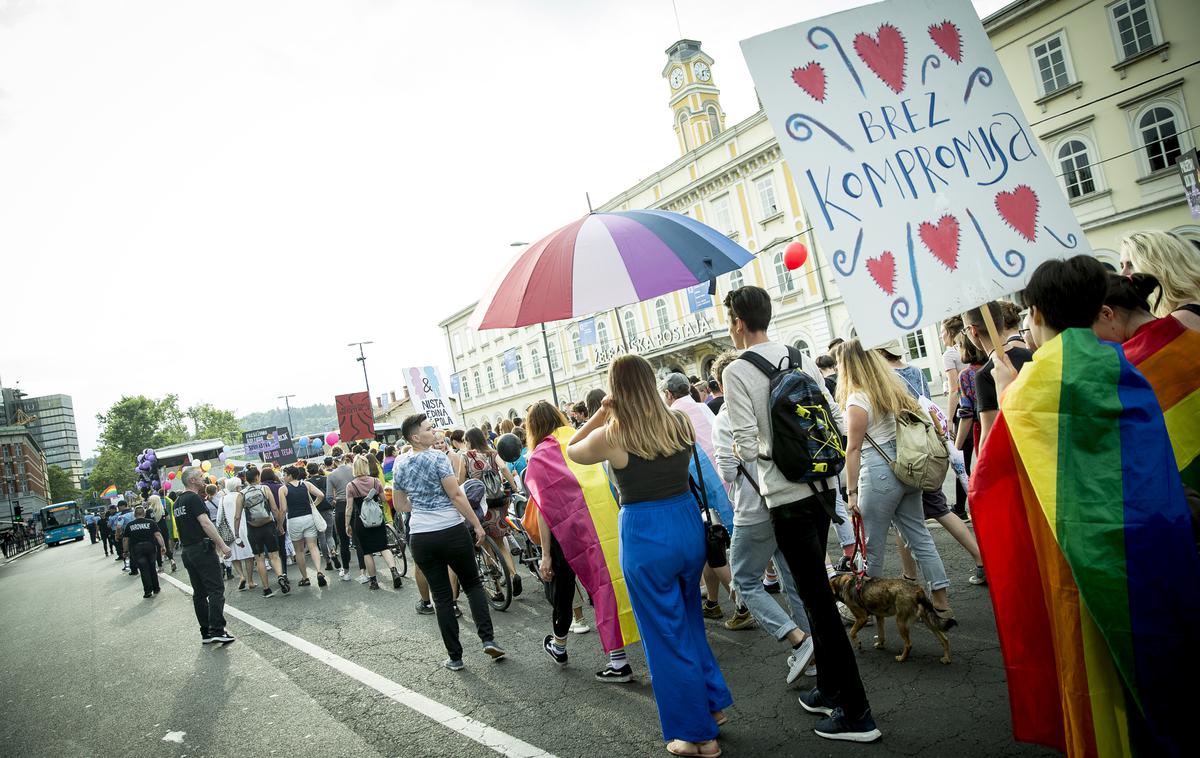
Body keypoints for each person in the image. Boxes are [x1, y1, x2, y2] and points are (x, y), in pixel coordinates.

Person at [972, 255, 1199, 756]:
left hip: (1076, 564)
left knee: (1097, 673)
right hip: (1148, 549)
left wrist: (1009, 398)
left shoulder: (1030, 388)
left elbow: (989, 487)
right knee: (1154, 664)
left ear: (1033, 313)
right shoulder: (1121, 364)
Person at [721, 285, 878, 743]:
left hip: (785, 497)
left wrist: (754, 448)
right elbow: (829, 413)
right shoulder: (798, 355)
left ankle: (857, 712)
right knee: (813, 592)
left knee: (818, 602)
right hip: (823, 486)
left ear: (737, 322)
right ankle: (829, 689)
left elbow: (747, 446)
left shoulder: (736, 371)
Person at [568, 354, 732, 758]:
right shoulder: (677, 421)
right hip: (686, 524)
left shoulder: (614, 433)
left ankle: (698, 736)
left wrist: (601, 411)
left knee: (664, 635)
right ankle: (712, 704)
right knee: (689, 619)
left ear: (616, 389)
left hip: (645, 532)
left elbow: (573, 450)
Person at [710, 351, 816, 683]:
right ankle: (816, 651)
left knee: (744, 579)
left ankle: (796, 639)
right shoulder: (768, 398)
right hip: (787, 498)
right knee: (792, 577)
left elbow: (728, 470)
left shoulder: (726, 417)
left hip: (753, 508)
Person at [523, 400, 636, 682]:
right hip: (605, 522)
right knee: (608, 585)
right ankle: (618, 659)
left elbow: (544, 511)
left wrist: (545, 554)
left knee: (564, 590)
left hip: (567, 533)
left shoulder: (538, 458)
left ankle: (562, 646)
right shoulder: (579, 436)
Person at [393, 414, 505, 670]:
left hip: (420, 534)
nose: (434, 432)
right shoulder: (437, 458)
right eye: (428, 429)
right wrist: (477, 525)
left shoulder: (399, 464)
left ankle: (455, 657)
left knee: (442, 596)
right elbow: (455, 494)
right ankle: (487, 638)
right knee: (473, 584)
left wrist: (422, 506)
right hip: (451, 529)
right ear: (415, 437)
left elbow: (400, 505)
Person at [174, 467, 234, 644]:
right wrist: (222, 545)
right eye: (200, 477)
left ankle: (206, 631)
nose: (203, 479)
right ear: (192, 480)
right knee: (216, 589)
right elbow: (206, 523)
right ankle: (217, 629)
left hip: (188, 550)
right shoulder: (193, 498)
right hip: (201, 548)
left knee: (199, 593)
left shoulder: (178, 502)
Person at [962, 300, 1034, 445]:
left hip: (1016, 450)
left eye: (965, 330)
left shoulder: (986, 374)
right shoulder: (1031, 355)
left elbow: (989, 435)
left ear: (973, 330)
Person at [463, 427, 522, 597]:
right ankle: (513, 574)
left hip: (481, 505)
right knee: (501, 543)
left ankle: (497, 589)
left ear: (469, 441)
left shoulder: (466, 456)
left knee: (487, 546)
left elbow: (460, 481)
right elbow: (504, 468)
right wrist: (513, 486)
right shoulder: (492, 452)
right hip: (498, 501)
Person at [1120, 230, 1200, 330]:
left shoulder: (1182, 318)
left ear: (1158, 264)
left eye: (1131, 264)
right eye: (1122, 266)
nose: (1123, 274)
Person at [346, 455, 403, 590]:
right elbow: (383, 499)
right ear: (366, 466)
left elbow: (349, 508)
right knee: (384, 547)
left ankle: (373, 581)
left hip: (362, 521)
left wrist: (346, 524)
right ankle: (394, 571)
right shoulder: (375, 481)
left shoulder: (351, 486)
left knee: (367, 552)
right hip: (377, 519)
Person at [235, 466, 286, 598]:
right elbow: (274, 509)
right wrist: (279, 525)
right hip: (268, 525)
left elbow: (237, 516)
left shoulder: (241, 494)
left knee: (260, 558)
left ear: (246, 479)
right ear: (257, 477)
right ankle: (280, 576)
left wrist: (236, 534)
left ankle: (266, 588)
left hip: (253, 529)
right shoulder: (265, 489)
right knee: (274, 555)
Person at [280, 465, 328, 588]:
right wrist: (313, 505)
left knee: (299, 550)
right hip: (308, 518)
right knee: (313, 546)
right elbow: (321, 495)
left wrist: (280, 524)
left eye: (284, 475)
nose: (283, 477)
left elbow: (284, 509)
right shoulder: (305, 484)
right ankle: (319, 571)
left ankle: (305, 578)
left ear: (290, 476)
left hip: (294, 520)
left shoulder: (284, 489)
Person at [325, 451, 358, 582]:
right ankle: (365, 570)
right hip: (356, 504)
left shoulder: (331, 475)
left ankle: (346, 571)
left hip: (341, 506)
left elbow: (328, 497)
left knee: (343, 541)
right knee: (358, 538)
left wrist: (335, 503)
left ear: (334, 461)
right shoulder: (353, 470)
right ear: (344, 458)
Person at [220, 478, 256, 591]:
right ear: (237, 487)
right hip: (245, 528)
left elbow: (219, 518)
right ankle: (250, 581)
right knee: (249, 555)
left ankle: (241, 576)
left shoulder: (223, 499)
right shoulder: (242, 495)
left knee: (234, 556)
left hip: (230, 531)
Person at [123, 505, 167, 598]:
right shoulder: (151, 522)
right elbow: (158, 535)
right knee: (152, 567)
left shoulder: (130, 525)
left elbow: (125, 540)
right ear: (144, 513)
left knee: (143, 570)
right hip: (150, 547)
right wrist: (163, 546)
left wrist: (125, 551)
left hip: (137, 549)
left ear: (135, 514)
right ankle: (156, 588)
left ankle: (147, 591)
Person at [307, 462, 338, 573]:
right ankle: (333, 551)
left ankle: (328, 561)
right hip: (328, 508)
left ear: (308, 472)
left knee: (321, 537)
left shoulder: (307, 483)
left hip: (316, 512)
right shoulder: (326, 479)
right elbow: (331, 493)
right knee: (329, 534)